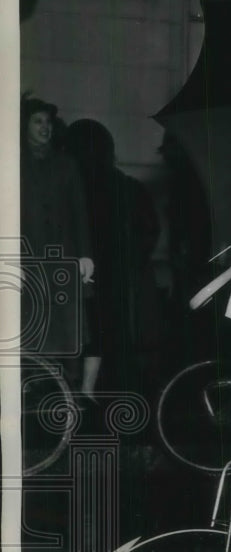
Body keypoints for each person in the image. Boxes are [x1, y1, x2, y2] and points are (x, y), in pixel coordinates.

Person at [65, 119, 160, 398]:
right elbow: (149, 230)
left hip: (79, 274)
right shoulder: (126, 186)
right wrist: (133, 263)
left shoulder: (72, 186)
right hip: (115, 275)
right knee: (114, 339)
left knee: (83, 337)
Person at [20, 95, 93, 386]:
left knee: (68, 331)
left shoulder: (66, 164)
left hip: (63, 260)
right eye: (37, 121)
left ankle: (70, 401)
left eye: (48, 122)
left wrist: (85, 255)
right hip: (28, 261)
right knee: (31, 331)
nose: (44, 127)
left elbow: (79, 212)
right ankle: (34, 394)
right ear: (24, 125)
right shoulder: (12, 163)